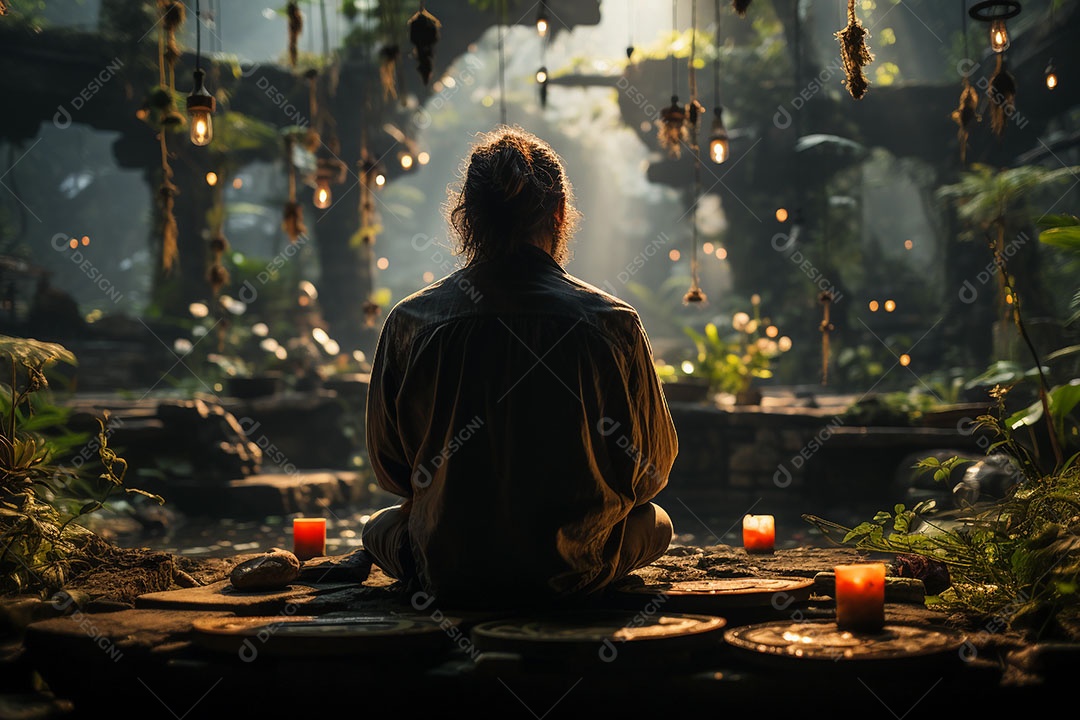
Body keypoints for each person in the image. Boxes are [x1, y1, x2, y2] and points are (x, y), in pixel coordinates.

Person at [362, 126, 678, 610]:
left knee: (379, 526)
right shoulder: (611, 322)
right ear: (558, 214)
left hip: (448, 572)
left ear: (466, 217)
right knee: (656, 521)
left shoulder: (412, 321)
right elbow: (650, 473)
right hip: (577, 571)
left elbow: (393, 473)